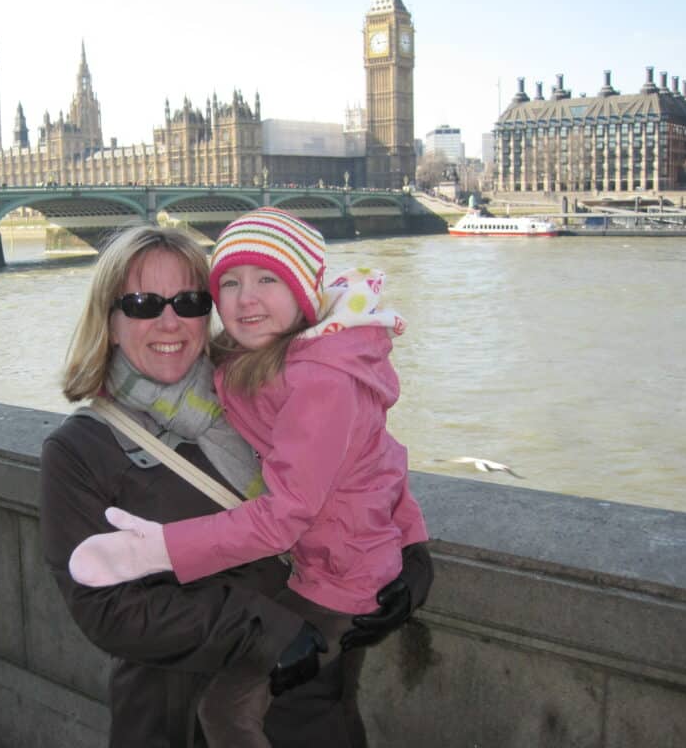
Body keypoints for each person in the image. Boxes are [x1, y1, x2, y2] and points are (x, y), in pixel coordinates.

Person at [40, 222, 433, 748]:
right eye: (141, 303)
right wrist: (262, 630)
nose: (169, 321)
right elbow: (105, 611)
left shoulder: (256, 378)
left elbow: (366, 461)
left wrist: (410, 549)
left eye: (189, 300)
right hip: (182, 720)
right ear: (109, 322)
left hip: (310, 709)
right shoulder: (79, 450)